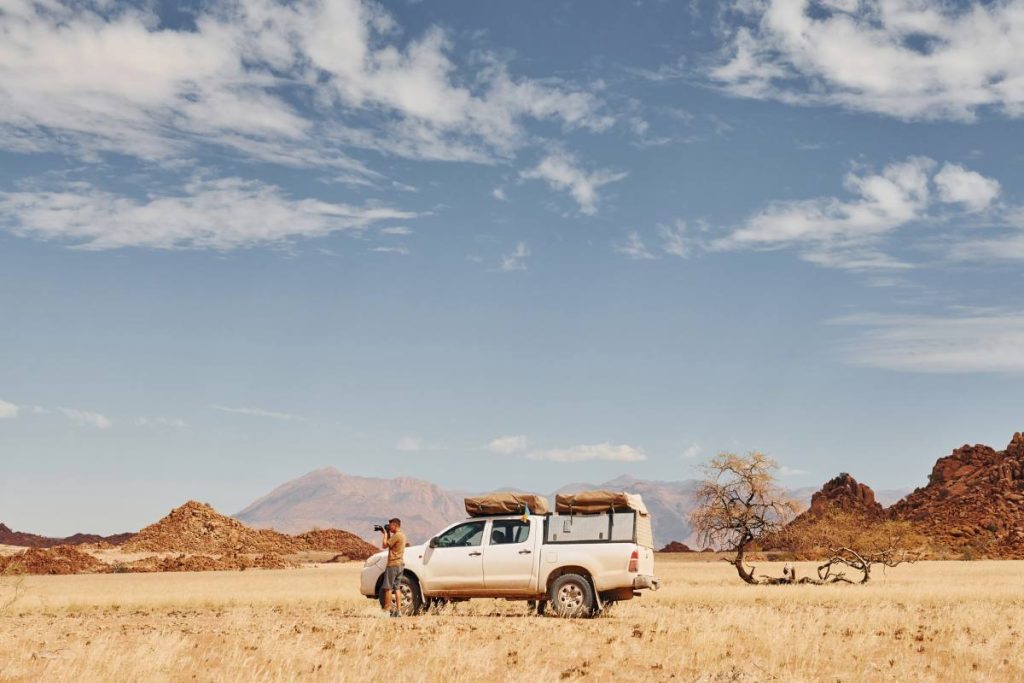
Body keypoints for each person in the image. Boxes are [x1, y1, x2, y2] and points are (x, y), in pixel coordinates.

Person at [380, 518, 407, 617]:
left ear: (395, 525)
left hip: (393, 564)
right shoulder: (402, 535)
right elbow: (393, 545)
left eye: (390, 525)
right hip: (400, 564)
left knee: (388, 588)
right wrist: (388, 532)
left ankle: (387, 611)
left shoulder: (397, 536)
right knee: (397, 588)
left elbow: (384, 545)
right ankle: (398, 611)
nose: (389, 526)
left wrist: (385, 534)